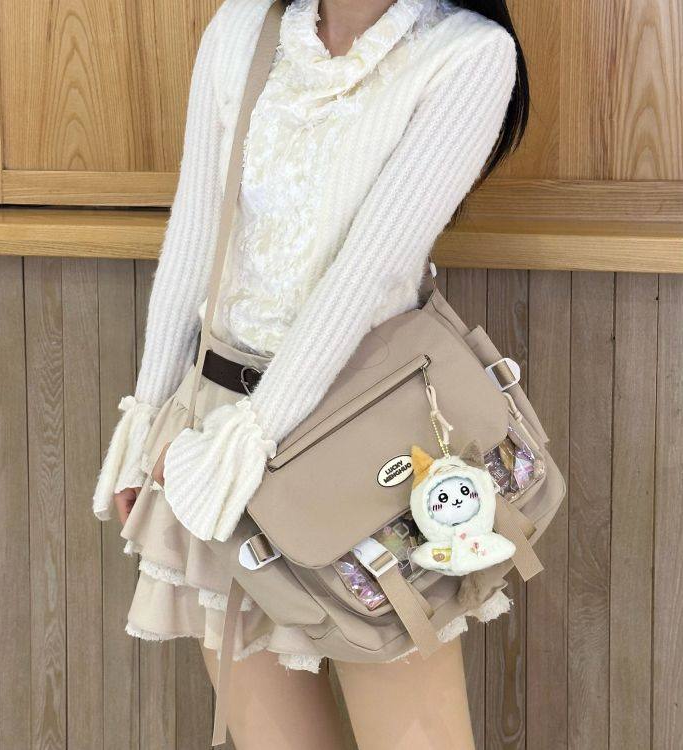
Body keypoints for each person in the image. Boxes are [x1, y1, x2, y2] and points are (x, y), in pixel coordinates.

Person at [92, 0, 528, 747]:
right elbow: (196, 229)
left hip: (362, 443)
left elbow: (369, 269)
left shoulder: (467, 53)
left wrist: (249, 442)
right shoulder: (243, 27)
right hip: (215, 427)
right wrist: (150, 420)